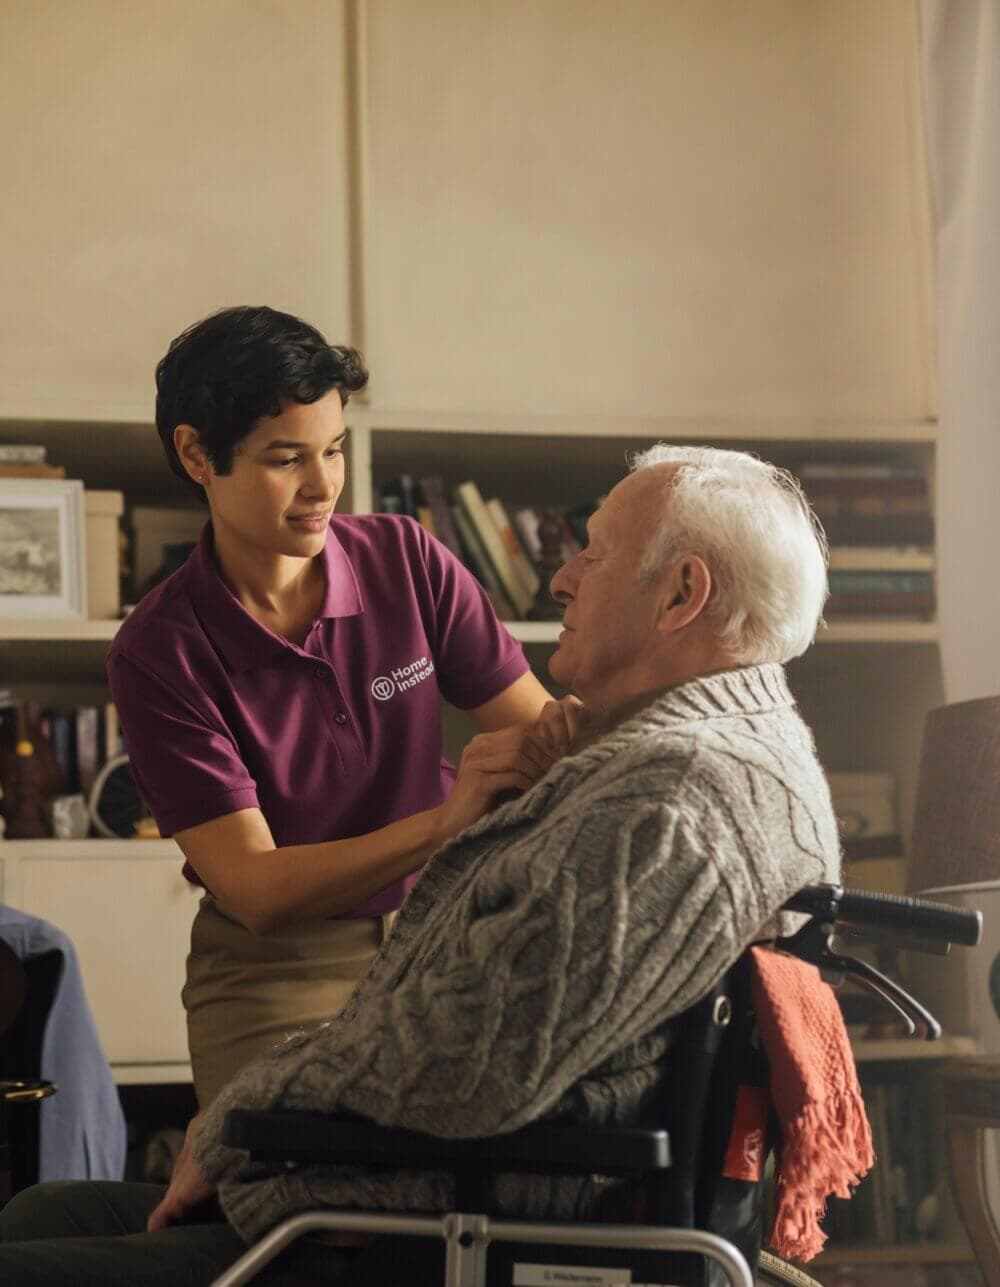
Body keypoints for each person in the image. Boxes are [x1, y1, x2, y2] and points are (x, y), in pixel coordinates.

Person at [0, 444, 841, 1285]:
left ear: (682, 594)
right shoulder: (727, 754)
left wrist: (235, 1115)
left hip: (440, 1221)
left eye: (594, 554)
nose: (560, 579)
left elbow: (468, 1065)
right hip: (446, 1175)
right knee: (42, 1211)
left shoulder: (669, 801)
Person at [105, 305, 560, 1108]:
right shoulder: (158, 652)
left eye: (334, 449)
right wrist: (442, 825)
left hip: (449, 926)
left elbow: (546, 740)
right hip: (278, 969)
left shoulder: (407, 559)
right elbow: (257, 887)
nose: (323, 487)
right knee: (262, 1177)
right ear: (197, 454)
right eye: (287, 459)